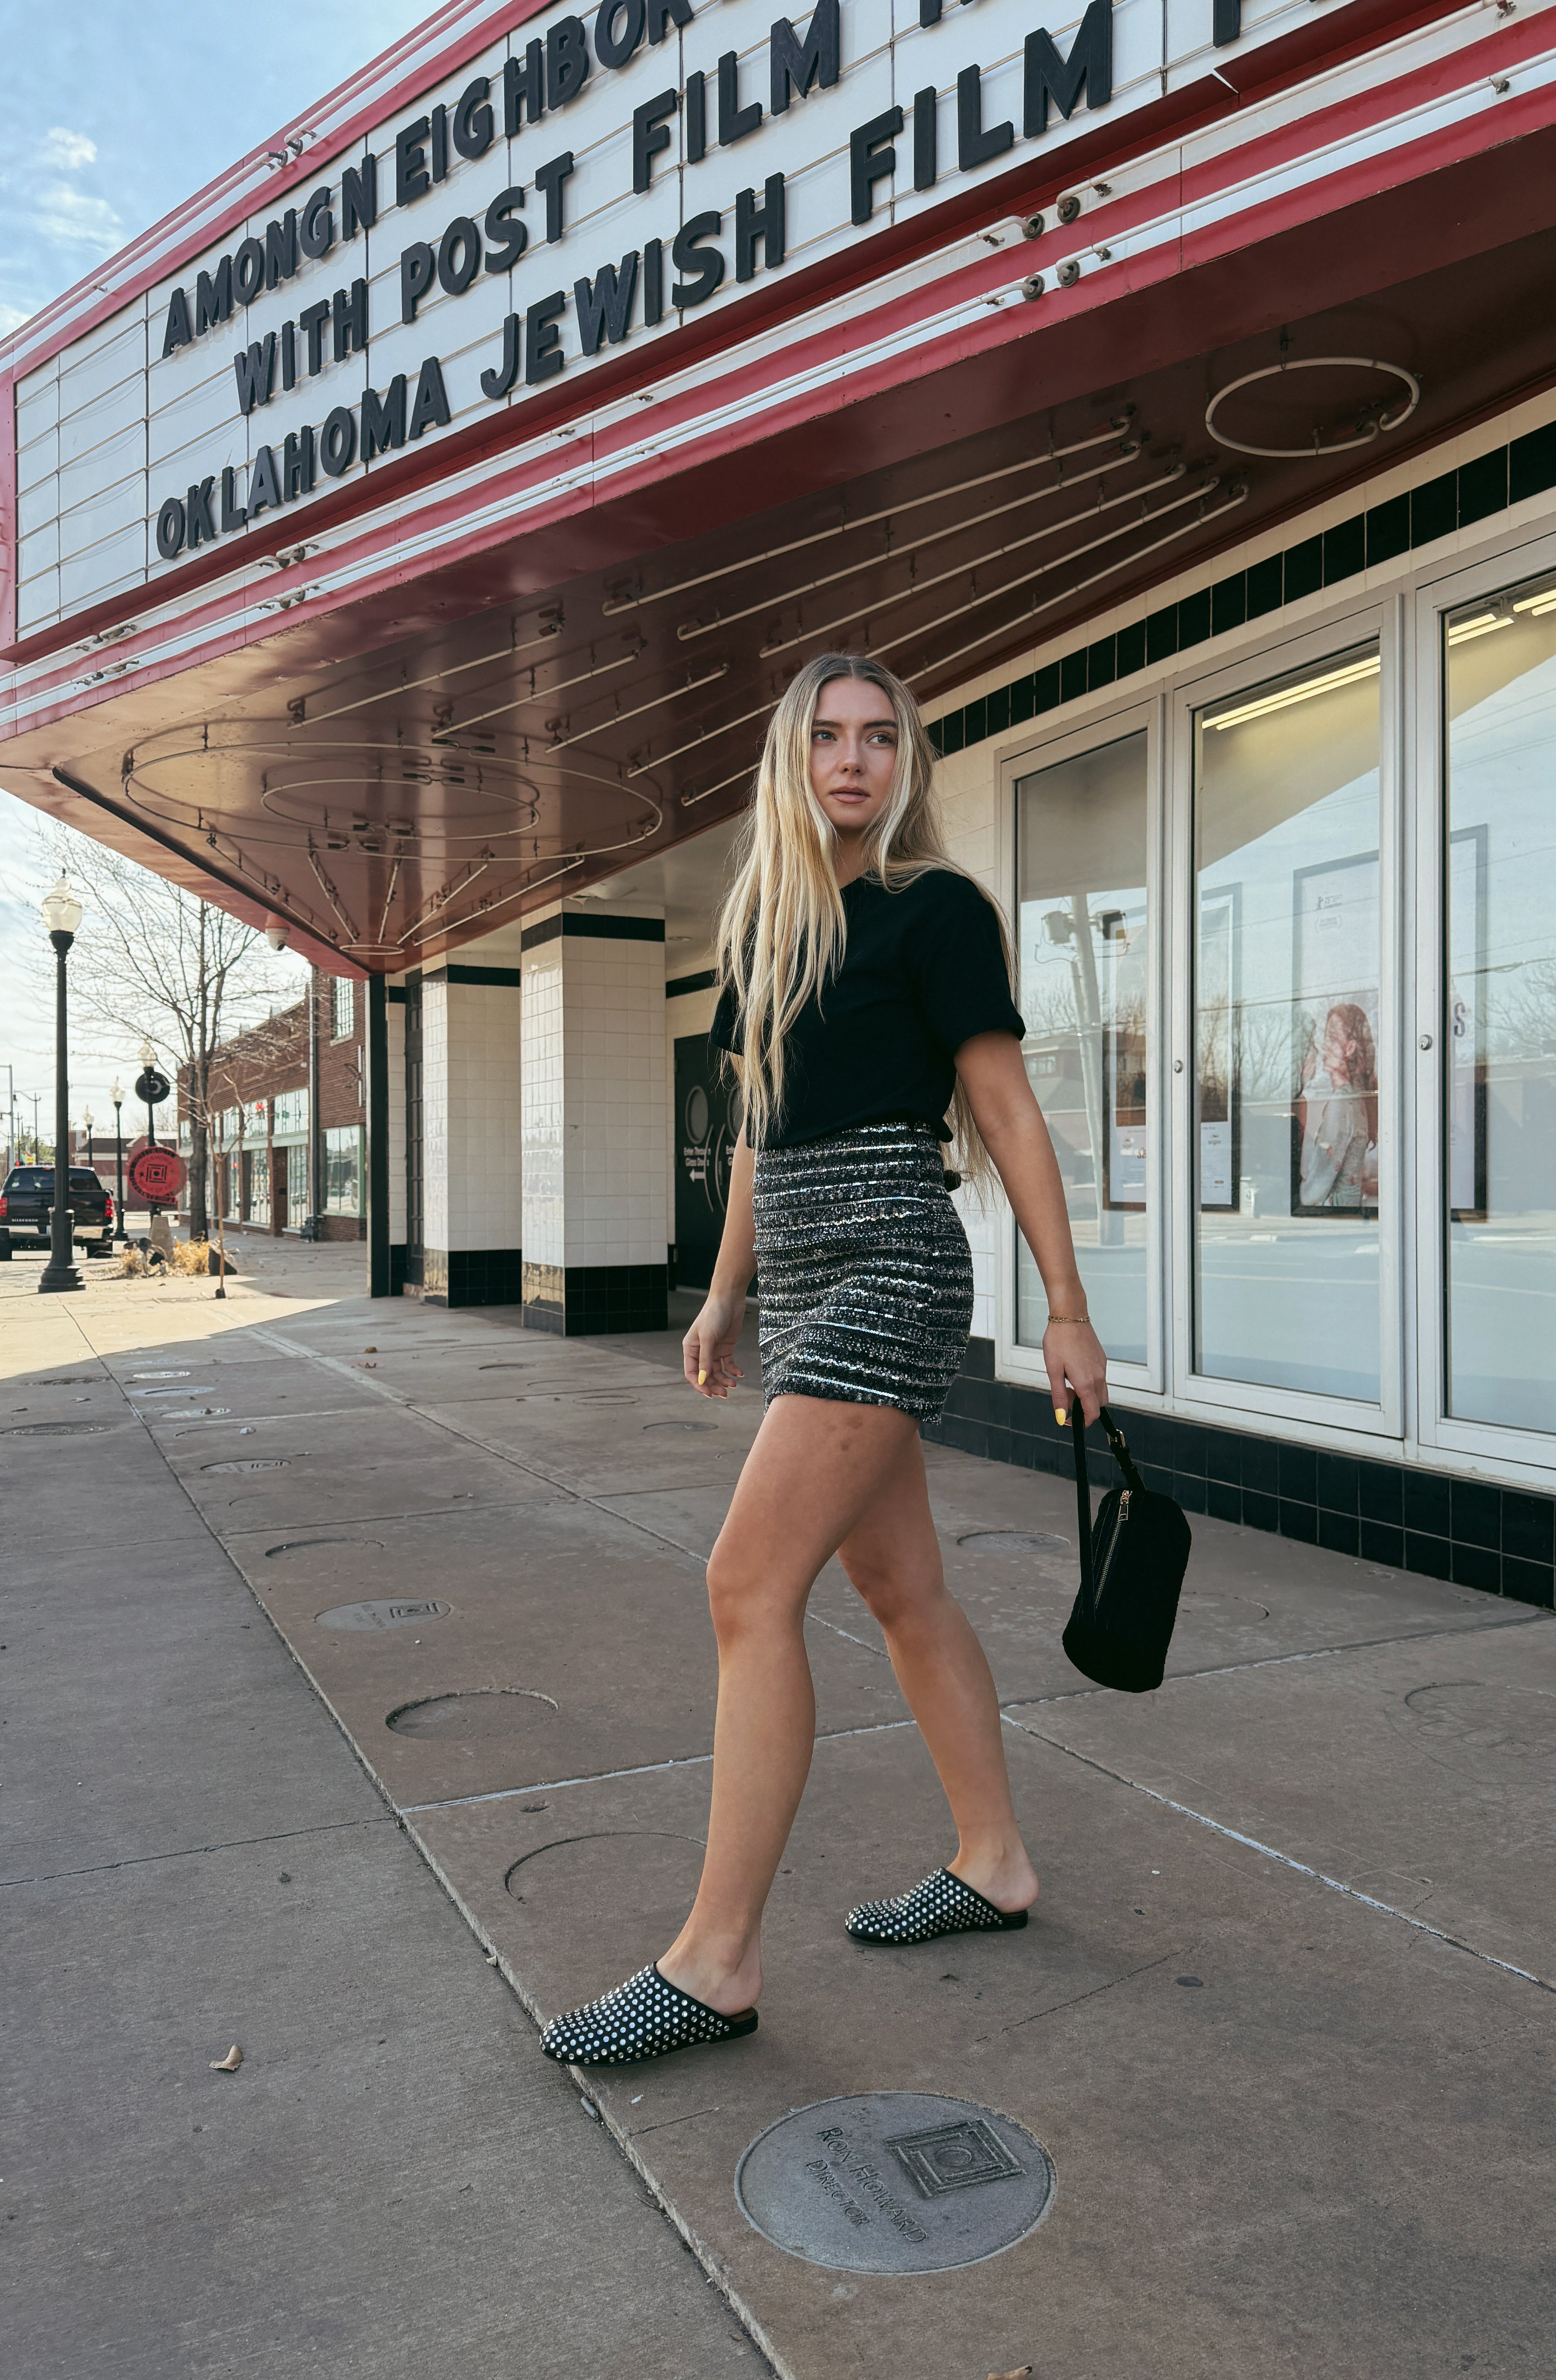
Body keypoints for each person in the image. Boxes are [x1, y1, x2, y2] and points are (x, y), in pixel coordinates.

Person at [542, 653, 1110, 2068]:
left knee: (746, 1582)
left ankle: (716, 1960)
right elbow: (754, 1135)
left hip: (891, 1261)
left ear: (904, 759)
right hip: (797, 1276)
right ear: (790, 762)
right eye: (827, 739)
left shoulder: (935, 913)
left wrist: (1068, 1306)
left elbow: (1006, 1110)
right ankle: (994, 1863)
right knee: (895, 1580)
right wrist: (726, 1294)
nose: (853, 762)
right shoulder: (770, 931)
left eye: (878, 738)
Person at [1297, 1000, 1377, 1211]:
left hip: (1333, 1217)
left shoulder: (1342, 1102)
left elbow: (1317, 1186)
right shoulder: (1354, 1099)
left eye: (1332, 1039)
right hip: (1345, 1214)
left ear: (1350, 1048)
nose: (1324, 1046)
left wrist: (1290, 1202)